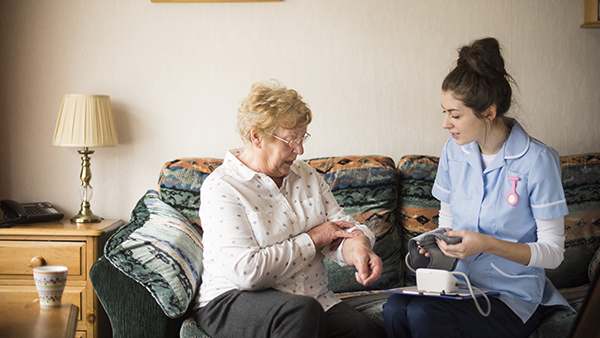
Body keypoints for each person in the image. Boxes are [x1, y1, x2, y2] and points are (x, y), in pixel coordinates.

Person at [383, 37, 573, 338]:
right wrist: (435, 243)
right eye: (444, 112)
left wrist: (486, 244)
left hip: (513, 297)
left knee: (424, 312)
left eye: (455, 115)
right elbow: (447, 223)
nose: (446, 123)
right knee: (394, 307)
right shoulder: (453, 151)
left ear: (488, 112)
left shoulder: (537, 160)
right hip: (461, 287)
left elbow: (553, 253)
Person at [192, 80, 386, 338]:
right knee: (300, 313)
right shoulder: (223, 188)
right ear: (257, 137)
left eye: (302, 137)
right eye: (291, 139)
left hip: (311, 299)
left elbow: (340, 229)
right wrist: (315, 238)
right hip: (232, 300)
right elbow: (247, 272)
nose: (300, 149)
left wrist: (358, 248)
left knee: (365, 331)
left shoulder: (306, 175)